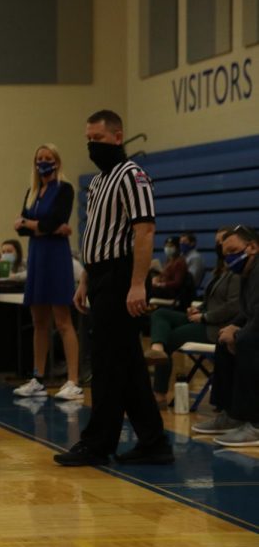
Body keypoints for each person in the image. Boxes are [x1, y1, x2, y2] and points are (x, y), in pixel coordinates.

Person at [54, 109, 174, 467]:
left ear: (118, 138)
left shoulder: (132, 176)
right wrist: (86, 280)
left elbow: (144, 231)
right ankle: (153, 442)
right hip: (101, 276)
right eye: (89, 140)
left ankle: (98, 442)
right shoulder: (99, 182)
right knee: (126, 363)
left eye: (99, 139)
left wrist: (137, 283)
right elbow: (96, 236)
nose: (92, 145)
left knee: (108, 364)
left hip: (124, 276)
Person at [12, 143, 82, 402]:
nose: (43, 161)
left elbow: (55, 220)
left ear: (57, 161)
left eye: (48, 157)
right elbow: (23, 229)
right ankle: (38, 377)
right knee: (39, 320)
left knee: (63, 320)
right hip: (37, 257)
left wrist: (33, 224)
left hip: (56, 257)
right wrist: (44, 227)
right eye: (39, 157)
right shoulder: (32, 191)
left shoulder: (64, 189)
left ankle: (73, 380)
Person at [144, 227, 241, 406]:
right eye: (218, 241)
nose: (219, 245)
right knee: (160, 314)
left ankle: (159, 394)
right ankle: (157, 348)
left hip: (215, 328)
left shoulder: (236, 273)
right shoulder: (220, 270)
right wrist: (198, 310)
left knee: (169, 339)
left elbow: (233, 307)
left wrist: (204, 316)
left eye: (224, 241)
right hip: (205, 318)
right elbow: (211, 301)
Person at [191, 225, 259, 446]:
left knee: (246, 342)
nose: (229, 257)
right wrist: (232, 328)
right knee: (224, 339)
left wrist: (239, 334)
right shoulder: (246, 273)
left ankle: (256, 424)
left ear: (252, 247)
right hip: (254, 327)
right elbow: (245, 311)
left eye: (233, 251)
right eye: (225, 253)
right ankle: (232, 413)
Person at [150, 236, 189, 302]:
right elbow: (164, 275)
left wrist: (161, 284)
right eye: (166, 246)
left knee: (148, 291)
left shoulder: (179, 262)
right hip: (164, 290)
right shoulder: (169, 260)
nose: (168, 248)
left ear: (177, 248)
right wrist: (157, 279)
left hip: (171, 293)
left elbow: (177, 283)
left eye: (171, 246)